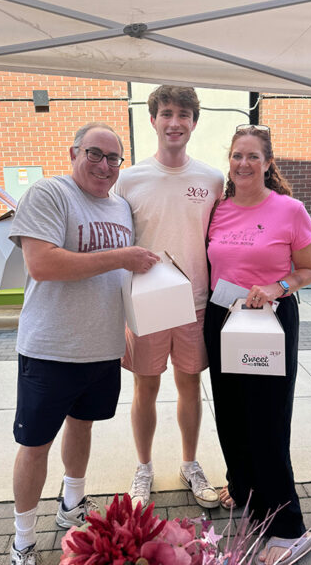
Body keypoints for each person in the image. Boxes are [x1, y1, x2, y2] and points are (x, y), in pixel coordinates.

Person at [7, 122, 160, 565]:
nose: (105, 165)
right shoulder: (50, 193)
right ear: (73, 152)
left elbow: (122, 275)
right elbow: (42, 264)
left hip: (103, 346)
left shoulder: (119, 207)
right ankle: (22, 540)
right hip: (51, 348)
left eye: (114, 158)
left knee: (83, 425)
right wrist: (123, 256)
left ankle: (71, 504)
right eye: (95, 154)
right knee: (35, 444)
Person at [203, 125, 311, 565]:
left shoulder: (289, 209)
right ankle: (245, 488)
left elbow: (307, 270)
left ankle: (290, 529)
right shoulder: (218, 210)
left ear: (268, 163)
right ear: (228, 161)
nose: (243, 164)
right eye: (236, 156)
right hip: (223, 317)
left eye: (253, 156)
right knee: (231, 414)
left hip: (269, 320)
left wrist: (277, 286)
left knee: (268, 421)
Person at [114, 85, 225, 509]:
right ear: (153, 120)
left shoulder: (212, 179)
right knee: (145, 386)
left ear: (194, 122)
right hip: (147, 303)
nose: (174, 122)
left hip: (196, 302)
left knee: (190, 385)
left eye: (183, 114)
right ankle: (143, 468)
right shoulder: (129, 179)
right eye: (166, 114)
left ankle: (189, 463)